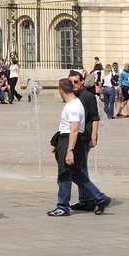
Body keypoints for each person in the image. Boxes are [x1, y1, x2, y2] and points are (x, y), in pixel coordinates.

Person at [65, 70, 111, 214]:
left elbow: (95, 117)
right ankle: (86, 200)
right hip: (76, 137)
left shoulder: (88, 96)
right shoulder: (72, 97)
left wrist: (93, 136)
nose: (73, 85)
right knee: (80, 169)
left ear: (82, 82)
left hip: (85, 137)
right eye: (70, 82)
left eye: (76, 82)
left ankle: (95, 199)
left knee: (80, 169)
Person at [48, 78, 89, 217]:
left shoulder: (73, 106)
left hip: (69, 142)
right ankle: (100, 198)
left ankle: (63, 206)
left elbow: (74, 130)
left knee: (64, 174)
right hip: (65, 140)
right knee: (77, 174)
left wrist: (69, 150)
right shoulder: (73, 104)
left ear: (61, 90)